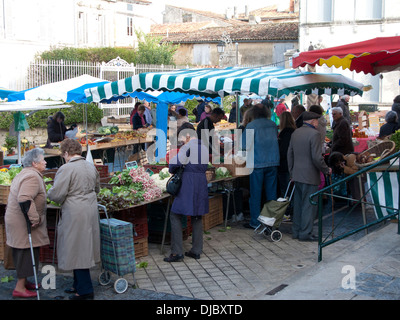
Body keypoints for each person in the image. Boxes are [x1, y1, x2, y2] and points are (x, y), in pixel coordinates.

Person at [47, 139, 100, 300]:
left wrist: (48, 192)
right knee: (83, 247)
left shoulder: (66, 168)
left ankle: (84, 291)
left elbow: (57, 194)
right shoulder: (90, 166)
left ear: (65, 153)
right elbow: (97, 188)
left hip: (75, 211)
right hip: (90, 209)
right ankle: (78, 284)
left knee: (77, 249)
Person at [5, 148, 49, 298]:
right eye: (43, 159)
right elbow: (24, 198)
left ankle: (25, 281)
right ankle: (19, 288)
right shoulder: (32, 176)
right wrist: (34, 218)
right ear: (34, 163)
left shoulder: (27, 173)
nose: (45, 162)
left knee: (28, 251)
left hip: (18, 219)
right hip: (22, 221)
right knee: (25, 251)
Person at [164, 123, 209, 262]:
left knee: (175, 214)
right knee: (197, 215)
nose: (181, 141)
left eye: (182, 138)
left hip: (188, 182)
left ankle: (177, 252)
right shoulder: (204, 146)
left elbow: (173, 165)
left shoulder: (187, 147)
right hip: (201, 182)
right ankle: (196, 250)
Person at [287, 111, 331, 241]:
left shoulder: (296, 132)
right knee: (309, 206)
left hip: (297, 174)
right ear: (312, 121)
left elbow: (290, 154)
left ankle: (296, 231)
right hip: (310, 175)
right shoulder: (315, 134)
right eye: (317, 120)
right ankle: (305, 233)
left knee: (299, 204)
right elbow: (317, 157)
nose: (318, 123)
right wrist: (326, 169)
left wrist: (292, 172)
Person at [241, 105, 280, 229]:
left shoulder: (251, 126)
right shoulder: (273, 125)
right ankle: (271, 221)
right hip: (273, 161)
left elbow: (244, 145)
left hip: (257, 163)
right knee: (272, 194)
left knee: (256, 194)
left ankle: (255, 222)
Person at [278, 111, 296, 200]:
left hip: (285, 165)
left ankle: (287, 209)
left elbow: (284, 150)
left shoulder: (286, 133)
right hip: (291, 163)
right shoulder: (294, 131)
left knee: (285, 189)